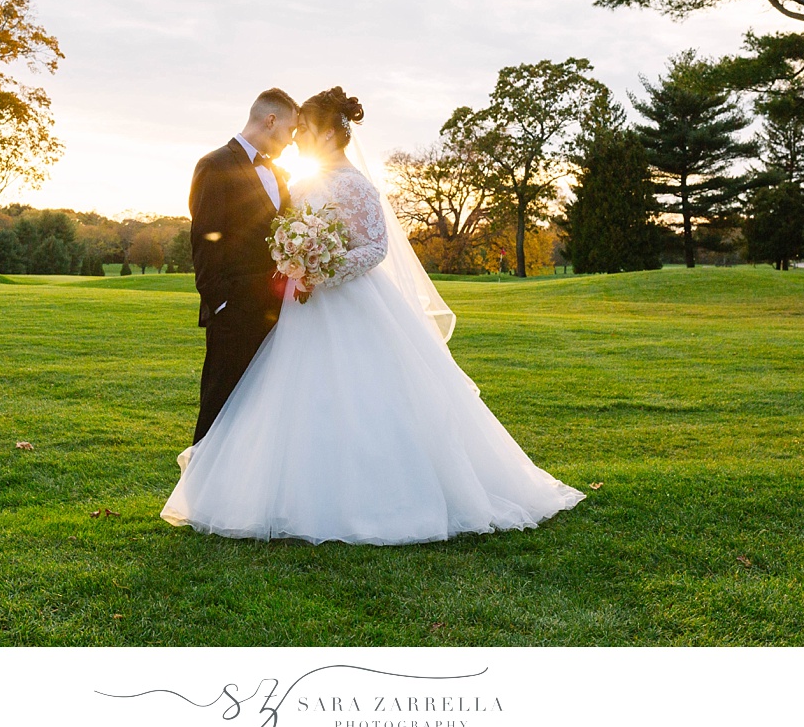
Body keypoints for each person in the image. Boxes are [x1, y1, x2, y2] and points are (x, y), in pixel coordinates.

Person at [163, 87, 585, 545]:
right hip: (293, 309)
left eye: (303, 129)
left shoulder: (357, 186)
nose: (296, 137)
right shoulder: (292, 181)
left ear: (325, 132)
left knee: (363, 396)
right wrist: (297, 264)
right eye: (293, 128)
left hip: (345, 302)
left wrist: (323, 267)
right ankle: (241, 486)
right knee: (284, 397)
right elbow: (235, 238)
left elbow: (376, 248)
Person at [187, 88, 298, 445]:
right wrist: (221, 302)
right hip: (233, 313)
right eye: (291, 130)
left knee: (261, 413)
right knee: (220, 407)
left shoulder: (278, 173)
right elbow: (205, 239)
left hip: (277, 313)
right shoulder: (214, 164)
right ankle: (197, 494)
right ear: (270, 121)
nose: (293, 141)